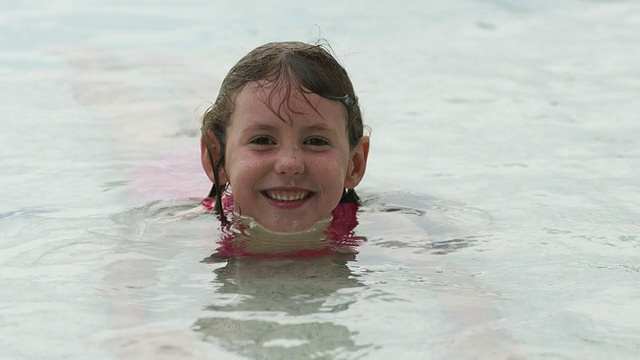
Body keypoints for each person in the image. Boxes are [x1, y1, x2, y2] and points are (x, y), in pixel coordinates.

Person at [199, 41, 370, 253]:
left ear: (354, 164)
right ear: (217, 158)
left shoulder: (384, 232)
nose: (290, 164)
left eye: (316, 141)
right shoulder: (190, 231)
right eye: (263, 140)